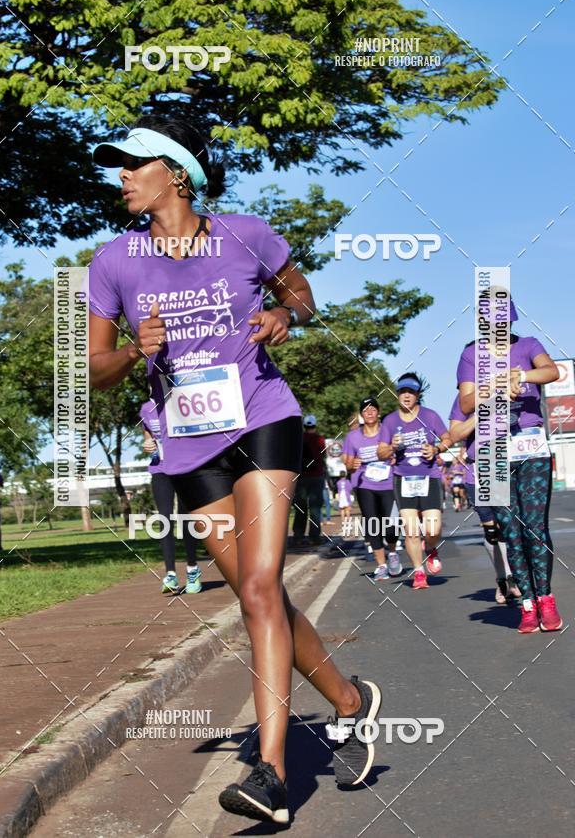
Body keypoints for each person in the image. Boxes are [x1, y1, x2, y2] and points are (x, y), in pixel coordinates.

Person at [89, 115, 381, 823]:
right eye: (119, 166)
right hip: (189, 444)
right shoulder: (112, 261)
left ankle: (272, 777)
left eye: (134, 164)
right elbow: (95, 370)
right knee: (259, 594)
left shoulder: (244, 233)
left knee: (256, 584)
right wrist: (134, 352)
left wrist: (287, 314)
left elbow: (302, 294)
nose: (121, 176)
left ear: (177, 171)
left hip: (261, 420)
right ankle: (348, 699)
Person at [457, 295, 562, 633]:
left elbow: (552, 371)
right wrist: (497, 385)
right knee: (510, 531)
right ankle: (527, 605)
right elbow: (466, 401)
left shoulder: (528, 345)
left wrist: (521, 375)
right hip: (492, 450)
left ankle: (546, 599)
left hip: (530, 445)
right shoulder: (471, 354)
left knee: (535, 527)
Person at [378, 374, 451, 589]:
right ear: (397, 394)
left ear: (418, 395)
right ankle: (419, 572)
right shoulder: (390, 421)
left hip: (429, 476)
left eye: (411, 392)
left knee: (433, 528)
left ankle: (430, 547)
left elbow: (447, 438)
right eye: (402, 392)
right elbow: (380, 452)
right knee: (410, 529)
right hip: (403, 479)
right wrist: (391, 446)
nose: (406, 395)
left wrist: (436, 448)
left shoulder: (430, 416)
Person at [448, 395, 520, 605]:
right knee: (491, 530)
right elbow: (455, 434)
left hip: (503, 465)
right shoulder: (465, 399)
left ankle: (513, 577)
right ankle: (502, 579)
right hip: (477, 468)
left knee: (508, 527)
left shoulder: (508, 388)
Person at [140, 399, 202, 594]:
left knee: (186, 518)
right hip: (160, 468)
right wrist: (147, 444)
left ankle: (192, 569)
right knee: (164, 519)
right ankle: (170, 575)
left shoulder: (180, 400)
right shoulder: (146, 408)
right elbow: (147, 436)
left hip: (185, 467)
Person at [342, 397, 402, 581]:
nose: (369, 413)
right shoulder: (352, 437)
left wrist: (394, 456)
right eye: (365, 410)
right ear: (361, 415)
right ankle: (381, 565)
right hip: (364, 485)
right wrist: (352, 464)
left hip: (388, 483)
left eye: (373, 409)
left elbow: (400, 451)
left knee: (391, 524)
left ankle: (392, 552)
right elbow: (347, 462)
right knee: (372, 523)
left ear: (378, 413)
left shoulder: (387, 431)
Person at [292, 414, 326, 546]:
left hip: (301, 477)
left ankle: (298, 536)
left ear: (304, 425)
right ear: (315, 425)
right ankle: (315, 536)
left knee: (300, 508)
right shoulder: (320, 439)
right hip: (316, 476)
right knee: (315, 508)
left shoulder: (298, 439)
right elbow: (323, 454)